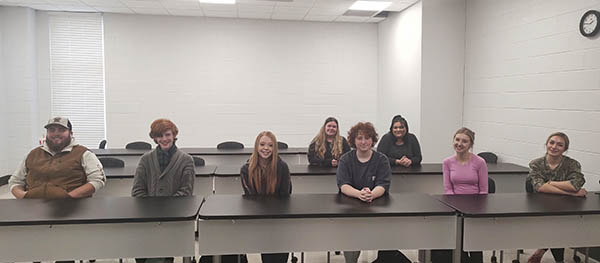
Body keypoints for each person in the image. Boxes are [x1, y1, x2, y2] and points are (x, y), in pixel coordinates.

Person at [336, 122, 396, 263]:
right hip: (351, 210)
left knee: (386, 240)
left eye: (367, 138)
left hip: (377, 208)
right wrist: (359, 194)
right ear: (353, 141)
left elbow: (383, 184)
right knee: (352, 240)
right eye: (360, 138)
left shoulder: (382, 159)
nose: (364, 142)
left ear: (373, 140)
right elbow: (343, 185)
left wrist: (371, 194)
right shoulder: (345, 159)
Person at [9, 117, 106, 199]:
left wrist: (68, 197)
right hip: (33, 207)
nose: (56, 134)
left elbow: (98, 180)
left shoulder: (84, 154)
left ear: (71, 133)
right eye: (52, 130)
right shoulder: (33, 154)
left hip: (72, 207)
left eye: (61, 130)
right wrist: (24, 196)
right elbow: (15, 181)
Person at [526, 132, 586, 263]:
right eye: (551, 142)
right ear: (546, 144)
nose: (554, 147)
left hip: (565, 206)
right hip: (540, 205)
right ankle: (558, 260)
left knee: (558, 224)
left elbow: (576, 184)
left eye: (560, 144)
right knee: (555, 225)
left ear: (565, 148)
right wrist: (571, 193)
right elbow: (540, 187)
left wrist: (551, 183)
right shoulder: (536, 164)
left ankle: (542, 250)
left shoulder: (572, 164)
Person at [434, 127, 488, 263]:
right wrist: (457, 209)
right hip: (455, 207)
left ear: (470, 144)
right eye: (457, 139)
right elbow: (448, 189)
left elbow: (483, 190)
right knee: (457, 243)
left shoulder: (480, 162)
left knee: (475, 245)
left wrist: (476, 212)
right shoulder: (447, 162)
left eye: (464, 141)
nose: (459, 143)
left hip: (475, 208)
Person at [240, 131, 291, 263]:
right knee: (267, 255)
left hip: (280, 219)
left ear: (274, 148)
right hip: (260, 219)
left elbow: (285, 195)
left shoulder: (282, 167)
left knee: (280, 254)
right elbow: (251, 198)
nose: (266, 148)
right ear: (256, 146)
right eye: (262, 144)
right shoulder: (246, 169)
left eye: (270, 145)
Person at [132, 118, 194, 198]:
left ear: (174, 135)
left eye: (167, 135)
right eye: (160, 136)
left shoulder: (187, 160)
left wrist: (167, 207)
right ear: (155, 138)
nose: (164, 139)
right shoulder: (145, 159)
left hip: (177, 209)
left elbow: (186, 191)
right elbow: (137, 191)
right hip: (149, 209)